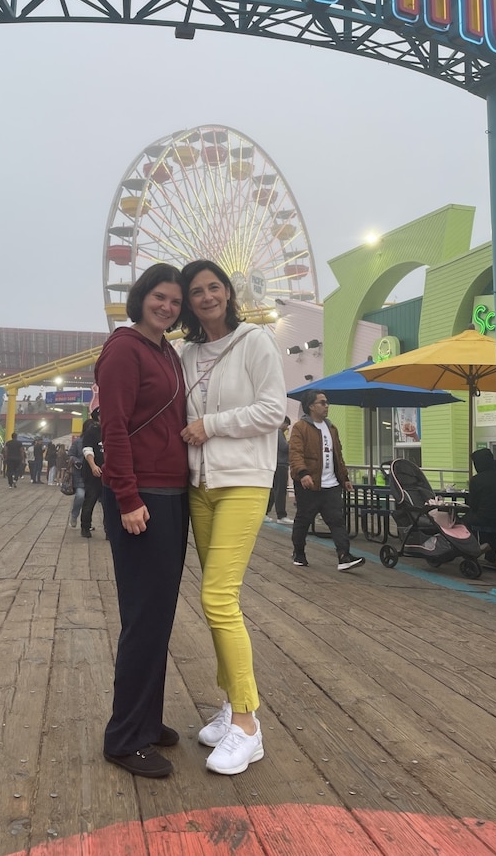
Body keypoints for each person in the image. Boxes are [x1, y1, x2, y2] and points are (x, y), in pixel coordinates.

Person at [179, 259, 286, 776]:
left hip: (243, 482)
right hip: (200, 486)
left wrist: (211, 425)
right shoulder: (187, 353)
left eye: (213, 287)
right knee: (218, 598)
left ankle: (247, 725)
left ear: (228, 292)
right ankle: (229, 704)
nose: (206, 297)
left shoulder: (255, 341)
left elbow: (273, 410)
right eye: (195, 290)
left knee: (217, 596)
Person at [96, 263, 189, 780]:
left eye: (175, 301)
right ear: (141, 297)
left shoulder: (166, 351)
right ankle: (125, 737)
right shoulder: (124, 349)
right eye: (160, 297)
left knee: (159, 617)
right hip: (141, 498)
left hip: (171, 495)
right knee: (143, 618)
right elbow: (114, 426)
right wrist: (128, 497)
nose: (168, 307)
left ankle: (147, 721)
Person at [289, 390, 366, 572]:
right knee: (303, 520)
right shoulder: (300, 427)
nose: (326, 406)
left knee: (337, 521)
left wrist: (344, 477)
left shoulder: (331, 428)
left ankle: (344, 556)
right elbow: (295, 453)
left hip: (331, 485)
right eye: (322, 402)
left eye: (327, 402)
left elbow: (337, 455)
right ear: (311, 406)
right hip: (309, 484)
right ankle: (299, 553)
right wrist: (303, 473)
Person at [467, 448, 496, 567]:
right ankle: (490, 555)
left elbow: (473, 504)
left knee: (465, 521)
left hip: (485, 518)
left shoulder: (476, 480)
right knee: (486, 516)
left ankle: (471, 552)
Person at [79, 409, 104, 538]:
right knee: (90, 500)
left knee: (109, 503)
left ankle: (109, 530)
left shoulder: (112, 429)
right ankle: (85, 527)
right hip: (92, 473)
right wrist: (93, 466)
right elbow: (87, 449)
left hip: (109, 474)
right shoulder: (92, 432)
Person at [264, 416, 292, 525]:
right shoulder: (279, 432)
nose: (287, 428)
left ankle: (265, 512)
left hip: (275, 464)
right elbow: (284, 448)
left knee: (274, 489)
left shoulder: (273, 432)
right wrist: (292, 441)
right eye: (287, 425)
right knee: (280, 490)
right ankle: (281, 515)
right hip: (281, 464)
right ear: (282, 423)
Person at [67, 434, 85, 528]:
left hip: (95, 475)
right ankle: (74, 515)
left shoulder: (99, 440)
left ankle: (86, 523)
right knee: (80, 496)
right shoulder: (78, 442)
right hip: (80, 474)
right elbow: (70, 455)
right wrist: (77, 461)